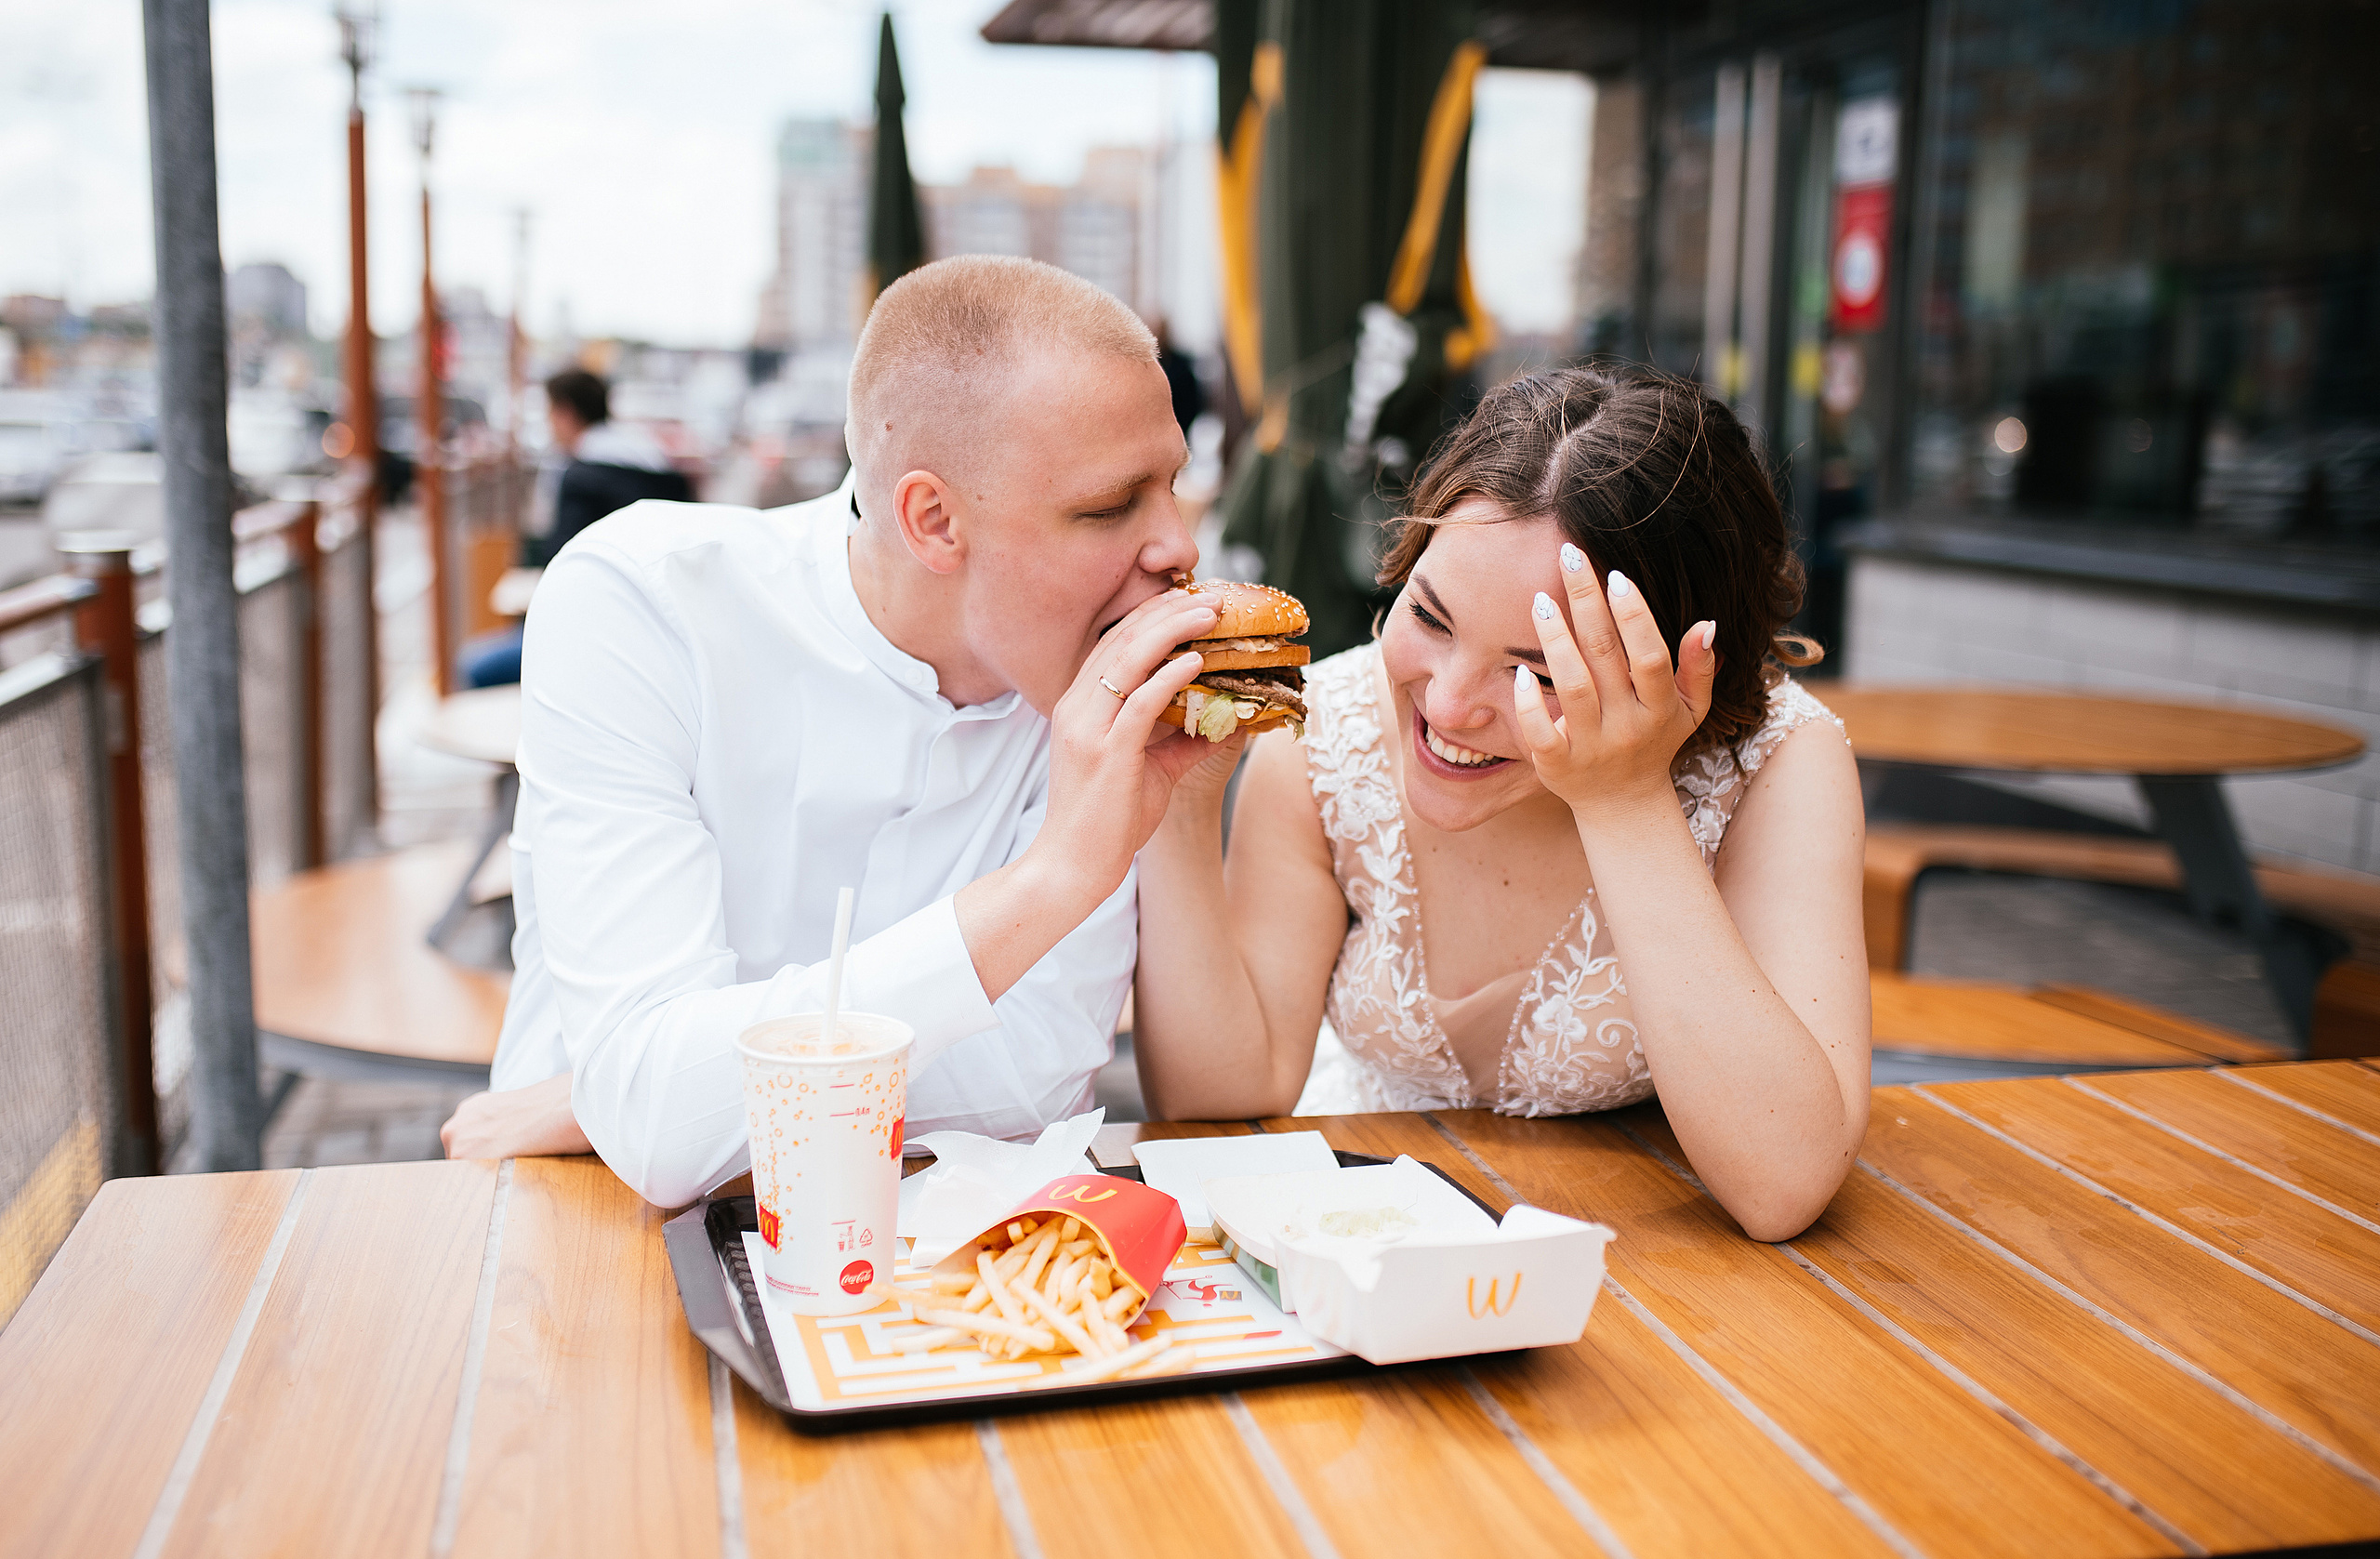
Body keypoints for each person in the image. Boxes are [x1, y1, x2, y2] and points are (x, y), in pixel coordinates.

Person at [439, 256, 1226, 1206]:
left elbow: (1030, 1086)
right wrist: (1051, 879)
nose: (1179, 545)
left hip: (937, 1261)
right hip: (590, 1233)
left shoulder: (1091, 679)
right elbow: (658, 1129)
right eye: (1109, 507)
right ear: (933, 520)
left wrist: (609, 1102)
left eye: (1172, 484)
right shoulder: (646, 601)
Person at [1130, 364, 1871, 1242]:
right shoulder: (1326, 732)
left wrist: (1627, 800)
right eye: (1430, 617)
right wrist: (1181, 805)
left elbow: (1783, 1183)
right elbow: (1221, 1096)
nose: (1447, 707)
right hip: (1368, 1241)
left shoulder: (1780, 762)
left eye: (1537, 671)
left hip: (1655, 1259)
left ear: (1680, 671)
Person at [457, 368, 694, 689]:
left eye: (549, 414)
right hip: (653, 630)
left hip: (590, 632)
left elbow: (561, 558)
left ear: (566, 414)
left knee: (471, 666)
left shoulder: (580, 477)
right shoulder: (655, 462)